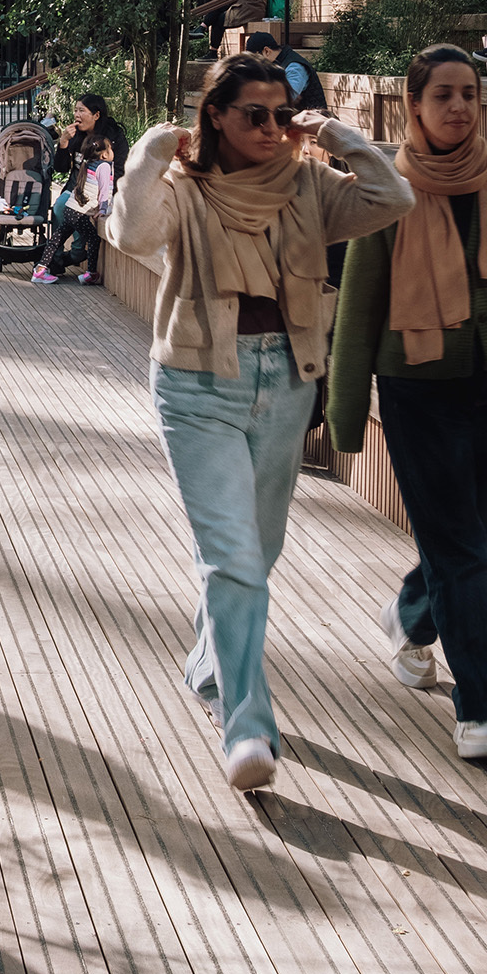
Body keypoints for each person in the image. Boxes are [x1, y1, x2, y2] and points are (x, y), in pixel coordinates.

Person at [104, 52, 413, 795]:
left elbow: (392, 198)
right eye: (256, 115)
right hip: (198, 383)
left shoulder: (309, 181)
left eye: (283, 114)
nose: (274, 129)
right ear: (216, 116)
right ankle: (247, 723)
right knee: (233, 557)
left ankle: (207, 668)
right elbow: (134, 235)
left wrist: (337, 134)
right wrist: (149, 151)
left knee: (259, 552)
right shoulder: (187, 184)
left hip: (287, 379)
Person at [326, 43, 487, 767]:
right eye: (444, 96)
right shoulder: (388, 188)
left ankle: (408, 614)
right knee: (462, 553)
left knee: (467, 542)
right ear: (414, 105)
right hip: (415, 387)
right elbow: (361, 304)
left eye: (470, 93)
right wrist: (343, 410)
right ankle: (481, 710)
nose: (459, 107)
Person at [35, 139, 114, 285]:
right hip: (78, 213)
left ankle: (40, 270)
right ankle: (90, 273)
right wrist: (103, 208)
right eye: (110, 148)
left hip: (70, 208)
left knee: (57, 238)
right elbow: (103, 191)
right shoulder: (104, 166)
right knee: (93, 239)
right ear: (104, 154)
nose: (113, 151)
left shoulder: (88, 163)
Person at [245, 28, 328, 118]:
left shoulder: (294, 66)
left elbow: (286, 97)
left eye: (256, 59)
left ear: (267, 51)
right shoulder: (277, 63)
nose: (256, 64)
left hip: (313, 122)